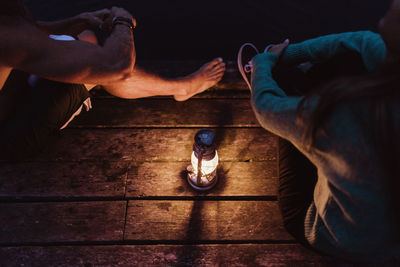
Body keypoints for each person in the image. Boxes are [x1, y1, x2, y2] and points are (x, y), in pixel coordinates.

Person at [238, 0, 400, 263]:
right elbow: (361, 41)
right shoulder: (387, 67)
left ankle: (278, 83)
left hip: (337, 235)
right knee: (347, 59)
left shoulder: (347, 115)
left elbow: (266, 109)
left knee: (288, 118)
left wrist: (263, 63)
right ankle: (292, 81)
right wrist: (290, 54)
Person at [0, 0, 225, 159]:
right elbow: (117, 66)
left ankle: (180, 87)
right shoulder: (4, 36)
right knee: (99, 69)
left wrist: (79, 20)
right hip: (12, 137)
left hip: (14, 87)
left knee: (86, 36)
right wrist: (124, 22)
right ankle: (183, 87)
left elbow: (31, 31)